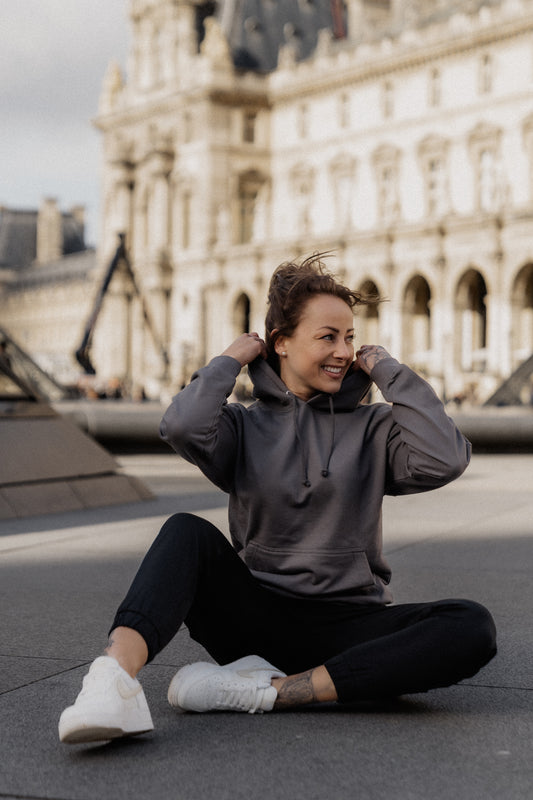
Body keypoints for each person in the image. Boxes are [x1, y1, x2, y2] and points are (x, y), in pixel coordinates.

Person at [58, 254, 497, 744]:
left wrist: (390, 371)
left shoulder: (375, 429)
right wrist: (229, 360)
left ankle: (270, 692)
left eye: (350, 337)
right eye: (328, 336)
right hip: (255, 618)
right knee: (184, 531)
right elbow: (180, 425)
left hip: (349, 624)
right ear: (281, 343)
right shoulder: (243, 426)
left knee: (470, 626)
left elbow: (447, 458)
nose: (344, 352)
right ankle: (111, 682)